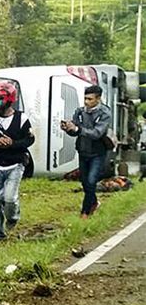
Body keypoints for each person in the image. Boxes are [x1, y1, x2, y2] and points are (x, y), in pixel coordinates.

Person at [0, 81, 35, 241]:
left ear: (9, 99)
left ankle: (13, 217)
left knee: (9, 197)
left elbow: (29, 140)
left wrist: (13, 143)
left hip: (15, 164)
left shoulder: (22, 119)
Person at [61, 85, 111, 219]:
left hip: (98, 153)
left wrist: (78, 129)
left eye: (90, 99)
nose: (86, 102)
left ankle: (85, 211)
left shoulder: (104, 113)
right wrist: (68, 128)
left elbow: (97, 133)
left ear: (98, 99)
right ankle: (94, 202)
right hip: (83, 151)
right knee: (84, 182)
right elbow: (75, 132)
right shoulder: (80, 111)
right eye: (85, 98)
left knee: (91, 181)